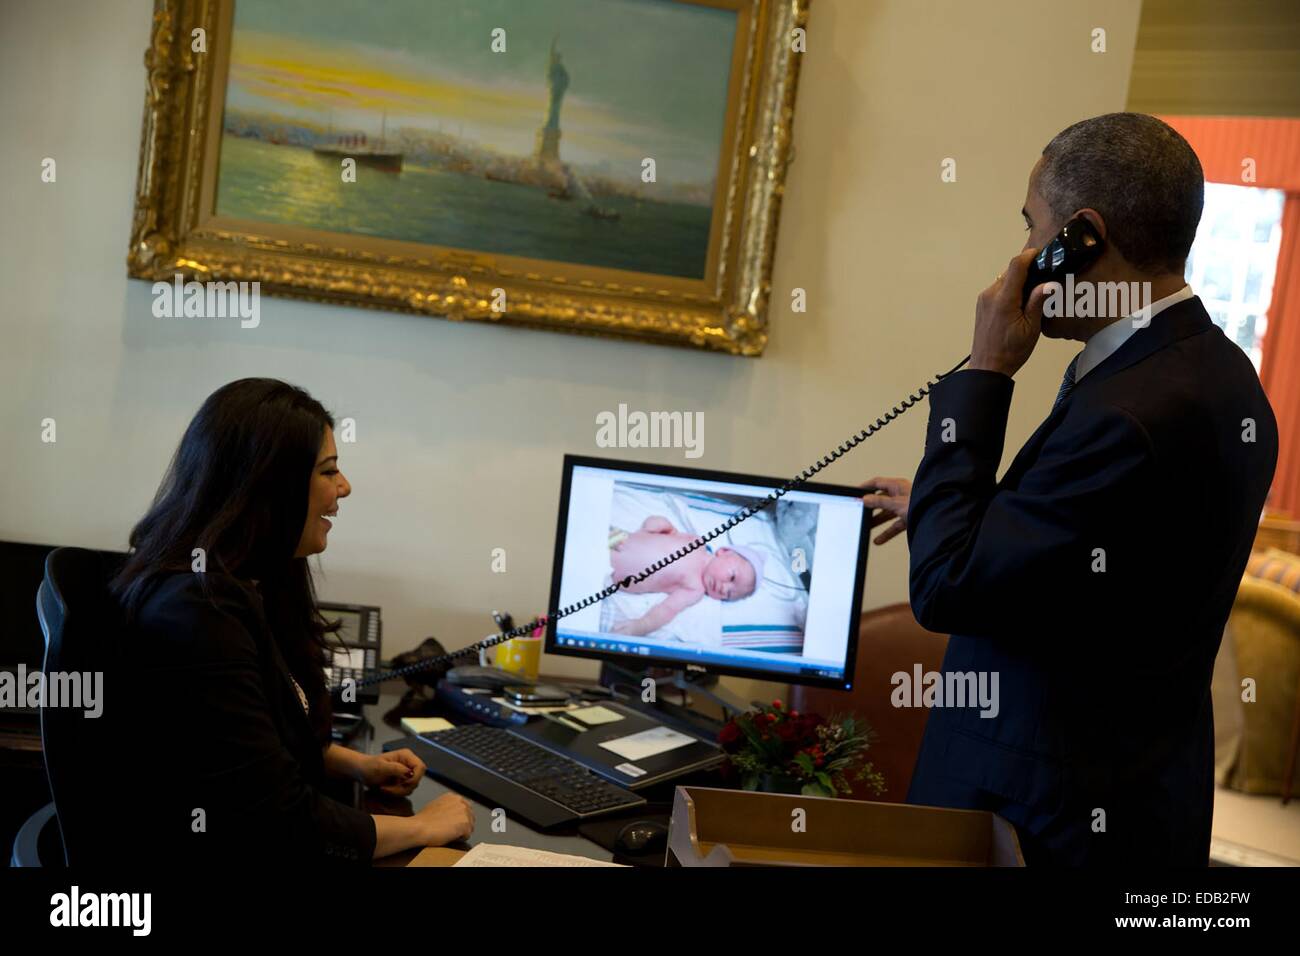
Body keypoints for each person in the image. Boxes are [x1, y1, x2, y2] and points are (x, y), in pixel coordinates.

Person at [863, 113, 1277, 866]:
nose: (1022, 256)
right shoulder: (1217, 374)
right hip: (1127, 801)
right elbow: (1090, 553)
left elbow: (948, 587)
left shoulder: (1133, 409)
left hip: (1043, 825)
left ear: (1080, 237)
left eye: (1032, 228)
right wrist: (954, 508)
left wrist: (984, 374)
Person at [110, 378, 473, 865]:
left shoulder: (239, 585)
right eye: (328, 471)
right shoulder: (196, 612)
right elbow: (279, 822)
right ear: (270, 485)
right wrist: (423, 826)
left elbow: (244, 750)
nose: (344, 487)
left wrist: (356, 765)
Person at [609, 515, 763, 636]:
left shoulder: (695, 589)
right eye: (732, 578)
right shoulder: (697, 542)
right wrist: (657, 524)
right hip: (618, 538)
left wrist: (641, 626)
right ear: (723, 552)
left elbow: (667, 609)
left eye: (728, 595)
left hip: (610, 570)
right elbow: (668, 530)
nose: (724, 589)